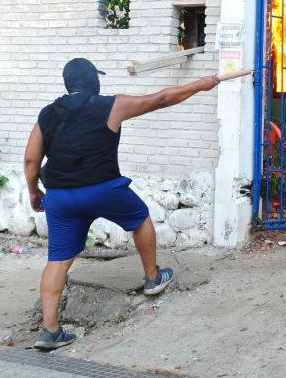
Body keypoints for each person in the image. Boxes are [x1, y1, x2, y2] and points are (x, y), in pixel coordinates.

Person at [23, 58, 220, 350]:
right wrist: (201, 85)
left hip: (61, 196)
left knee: (59, 258)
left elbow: (31, 160)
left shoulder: (47, 115)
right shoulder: (110, 105)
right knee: (140, 218)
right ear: (93, 81)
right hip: (102, 189)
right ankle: (153, 278)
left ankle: (50, 331)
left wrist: (34, 192)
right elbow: (162, 99)